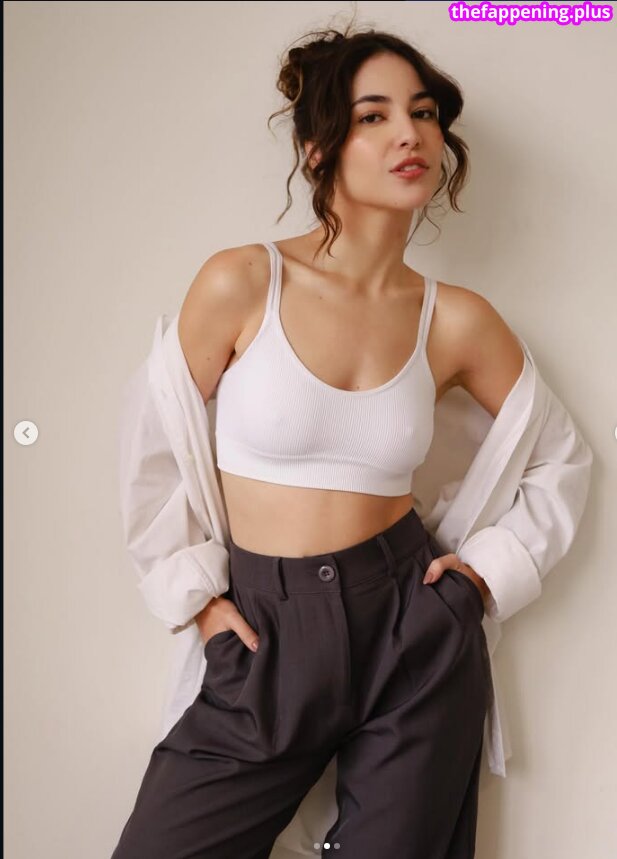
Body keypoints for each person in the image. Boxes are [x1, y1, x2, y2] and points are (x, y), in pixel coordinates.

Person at [111, 24, 593, 859]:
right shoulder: (241, 282)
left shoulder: (456, 319)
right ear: (317, 148)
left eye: (423, 112)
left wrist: (480, 579)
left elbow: (562, 456)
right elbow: (151, 449)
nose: (409, 133)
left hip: (411, 627)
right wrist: (195, 600)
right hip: (262, 632)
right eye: (373, 115)